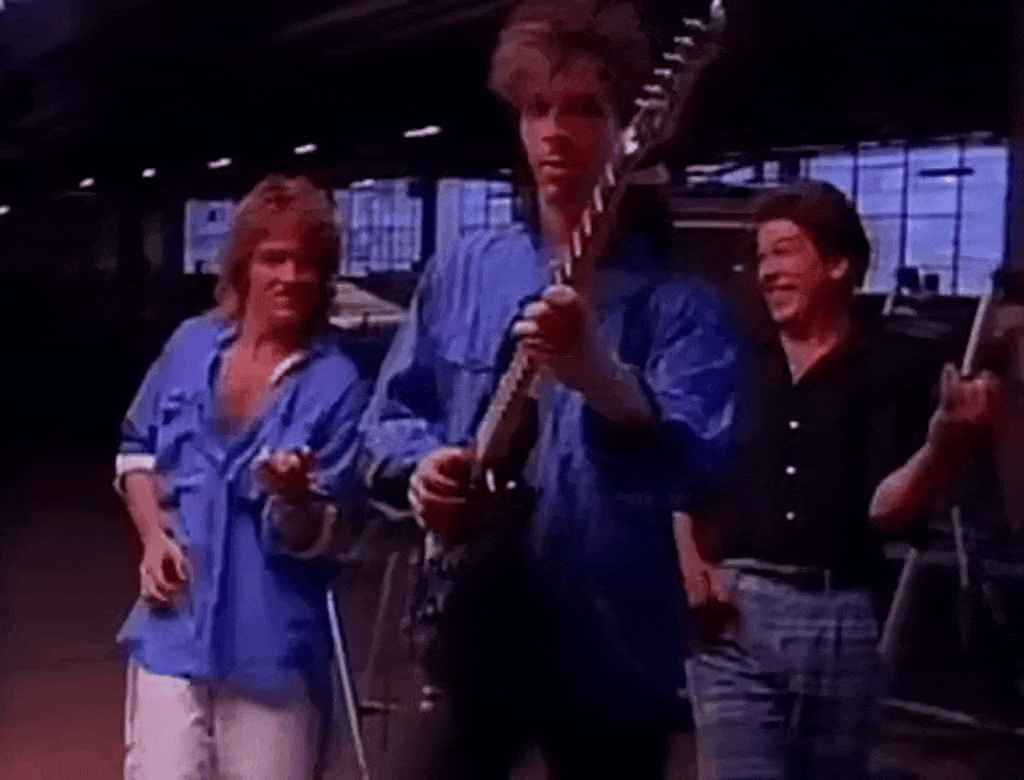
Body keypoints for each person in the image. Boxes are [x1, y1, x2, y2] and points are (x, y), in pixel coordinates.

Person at [357, 1, 741, 777]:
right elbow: (392, 414)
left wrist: (605, 382)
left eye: (584, 109)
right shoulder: (465, 271)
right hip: (475, 628)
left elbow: (699, 463)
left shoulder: (683, 308)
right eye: (537, 109)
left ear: (634, 130)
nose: (555, 133)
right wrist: (422, 470)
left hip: (612, 649)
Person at [678, 180, 1005, 779]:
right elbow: (682, 471)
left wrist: (944, 444)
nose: (767, 272)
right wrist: (695, 577)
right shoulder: (735, 364)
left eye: (784, 253)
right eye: (762, 257)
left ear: (837, 265)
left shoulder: (893, 369)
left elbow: (886, 510)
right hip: (735, 620)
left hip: (843, 621)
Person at [115, 175, 369, 780]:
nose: (290, 277)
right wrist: (153, 538)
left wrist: (295, 498)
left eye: (307, 263)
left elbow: (331, 534)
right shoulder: (190, 345)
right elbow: (137, 453)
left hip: (272, 650)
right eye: (273, 259)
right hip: (174, 628)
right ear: (242, 266)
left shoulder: (338, 384)